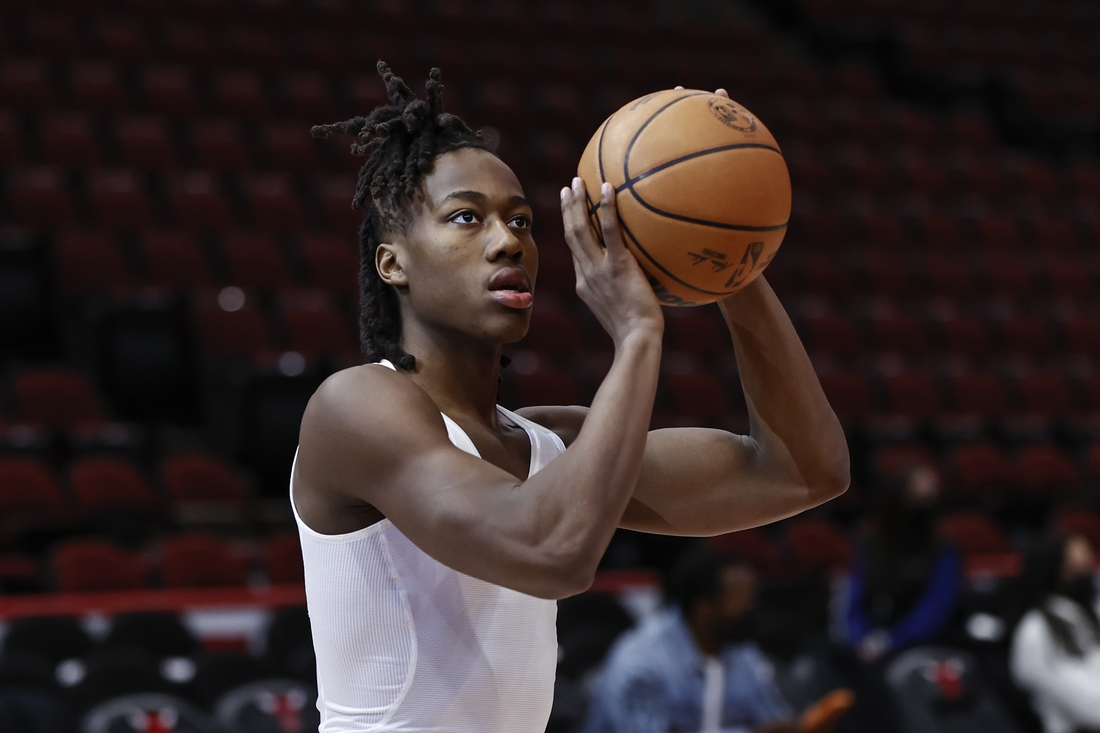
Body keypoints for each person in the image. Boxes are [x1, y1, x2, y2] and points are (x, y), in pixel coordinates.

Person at [291, 62, 850, 732]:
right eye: (466, 217)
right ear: (393, 262)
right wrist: (640, 334)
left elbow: (802, 470)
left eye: (522, 221)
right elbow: (553, 552)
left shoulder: (551, 446)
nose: (508, 242)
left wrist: (723, 241)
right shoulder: (353, 407)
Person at [584, 547, 798, 733]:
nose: (752, 609)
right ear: (704, 609)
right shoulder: (643, 661)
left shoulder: (741, 653)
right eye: (741, 600)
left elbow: (773, 720)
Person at [844, 463, 962, 662]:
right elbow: (854, 600)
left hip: (923, 648)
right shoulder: (871, 545)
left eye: (929, 500)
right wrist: (861, 639)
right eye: (917, 499)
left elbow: (935, 608)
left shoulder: (943, 550)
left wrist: (893, 640)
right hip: (868, 645)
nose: (923, 509)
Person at [1010, 533, 1100, 733]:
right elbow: (1089, 706)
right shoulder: (1037, 632)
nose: (1088, 576)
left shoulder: (1087, 615)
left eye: (1089, 567)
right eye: (1076, 569)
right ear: (1054, 572)